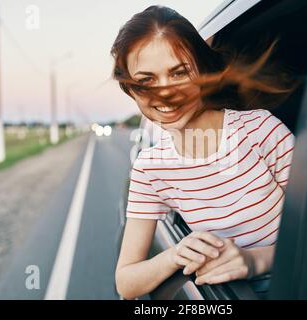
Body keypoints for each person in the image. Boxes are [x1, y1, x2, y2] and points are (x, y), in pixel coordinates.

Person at [111, 5, 296, 300]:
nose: (166, 93)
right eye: (146, 81)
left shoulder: (260, 130)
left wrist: (253, 261)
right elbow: (126, 282)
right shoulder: (149, 168)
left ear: (202, 70)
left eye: (179, 72)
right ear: (131, 91)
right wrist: (175, 255)